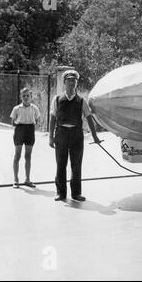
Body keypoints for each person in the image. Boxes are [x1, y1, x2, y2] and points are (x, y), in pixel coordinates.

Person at [49, 70, 101, 202]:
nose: (72, 83)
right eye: (69, 81)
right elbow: (52, 118)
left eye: (74, 81)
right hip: (61, 134)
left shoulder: (81, 101)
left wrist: (95, 137)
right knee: (61, 164)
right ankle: (61, 193)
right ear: (64, 83)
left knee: (76, 165)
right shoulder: (57, 99)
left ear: (76, 84)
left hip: (77, 135)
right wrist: (51, 137)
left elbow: (89, 118)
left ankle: (76, 193)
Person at [10, 87, 41, 188]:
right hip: (19, 131)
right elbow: (13, 122)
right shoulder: (16, 108)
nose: (26, 97)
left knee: (28, 156)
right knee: (17, 155)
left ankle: (27, 179)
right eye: (24, 96)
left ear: (31, 97)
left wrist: (31, 125)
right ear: (20, 97)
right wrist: (21, 126)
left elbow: (37, 120)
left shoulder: (34, 108)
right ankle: (16, 180)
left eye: (28, 95)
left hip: (30, 131)